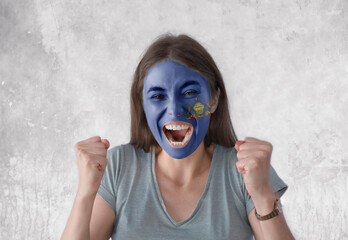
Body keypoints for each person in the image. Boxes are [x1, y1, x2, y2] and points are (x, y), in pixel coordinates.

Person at [61, 34, 295, 240]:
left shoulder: (243, 170)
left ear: (213, 100)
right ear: (143, 105)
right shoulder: (119, 167)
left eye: (191, 93)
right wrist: (85, 193)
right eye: (158, 96)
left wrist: (263, 194)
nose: (174, 110)